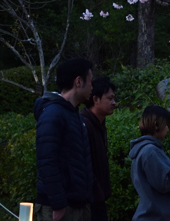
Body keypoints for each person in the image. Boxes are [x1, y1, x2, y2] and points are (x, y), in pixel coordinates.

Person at [35, 58, 95, 221]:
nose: (92, 87)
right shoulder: (53, 114)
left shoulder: (75, 114)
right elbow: (47, 161)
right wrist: (58, 203)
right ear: (78, 82)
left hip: (77, 204)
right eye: (90, 81)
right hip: (60, 208)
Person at [128, 105, 170, 221]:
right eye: (166, 125)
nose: (167, 129)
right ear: (156, 125)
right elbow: (165, 182)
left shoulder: (145, 150)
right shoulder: (150, 151)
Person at [82, 77, 118, 221]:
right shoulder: (84, 125)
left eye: (114, 98)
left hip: (98, 199)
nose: (113, 103)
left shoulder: (99, 125)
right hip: (89, 201)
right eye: (109, 98)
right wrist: (97, 191)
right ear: (95, 99)